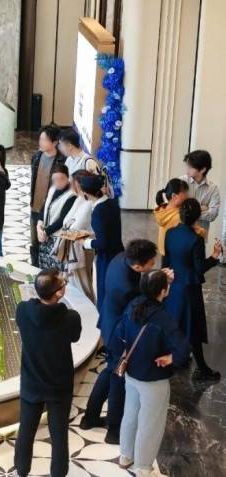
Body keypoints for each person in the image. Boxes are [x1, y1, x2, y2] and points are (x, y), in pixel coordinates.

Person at [109, 270, 190, 477]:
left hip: (131, 373)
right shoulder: (163, 319)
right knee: (150, 424)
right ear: (164, 291)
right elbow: (183, 349)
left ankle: (126, 456)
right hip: (154, 379)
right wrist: (171, 358)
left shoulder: (133, 305)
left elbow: (119, 335)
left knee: (130, 414)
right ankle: (143, 468)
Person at [81, 239, 160, 444]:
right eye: (151, 262)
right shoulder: (127, 288)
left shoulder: (121, 257)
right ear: (138, 266)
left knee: (109, 371)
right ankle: (114, 431)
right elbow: (142, 306)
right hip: (118, 333)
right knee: (118, 379)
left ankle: (89, 417)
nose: (154, 264)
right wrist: (160, 286)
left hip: (108, 322)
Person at [13, 268, 81, 477]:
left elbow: (31, 307)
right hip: (59, 386)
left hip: (31, 383)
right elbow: (75, 337)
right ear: (58, 293)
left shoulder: (23, 310)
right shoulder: (70, 317)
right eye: (63, 283)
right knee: (59, 436)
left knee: (26, 432)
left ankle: (21, 471)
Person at [163, 198, 223, 381]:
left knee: (176, 324)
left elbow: (166, 261)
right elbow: (199, 268)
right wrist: (214, 256)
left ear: (180, 214)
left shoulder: (170, 233)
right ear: (197, 217)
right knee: (193, 328)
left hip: (173, 286)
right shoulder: (196, 239)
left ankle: (176, 358)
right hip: (189, 289)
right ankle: (202, 369)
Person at [79, 174, 124, 310]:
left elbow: (103, 243)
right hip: (118, 252)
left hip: (106, 257)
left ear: (86, 194)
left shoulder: (98, 211)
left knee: (104, 291)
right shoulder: (112, 203)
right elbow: (110, 229)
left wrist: (86, 243)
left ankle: (103, 317)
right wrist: (94, 234)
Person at [29, 125, 66, 266]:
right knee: (34, 241)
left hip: (51, 209)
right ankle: (34, 268)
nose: (41, 142)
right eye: (40, 139)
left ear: (55, 142)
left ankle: (46, 271)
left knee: (47, 241)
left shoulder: (62, 161)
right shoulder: (37, 157)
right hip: (35, 206)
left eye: (44, 140)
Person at [58, 170, 96, 302]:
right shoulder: (79, 198)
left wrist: (66, 230)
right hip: (72, 244)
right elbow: (66, 221)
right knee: (72, 282)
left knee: (82, 284)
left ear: (78, 184)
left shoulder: (88, 203)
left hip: (82, 248)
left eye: (72, 183)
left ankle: (87, 308)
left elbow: (76, 226)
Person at [36, 165, 76, 270]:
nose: (58, 182)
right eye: (55, 179)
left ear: (68, 177)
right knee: (44, 269)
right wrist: (39, 225)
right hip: (45, 236)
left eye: (61, 178)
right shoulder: (52, 189)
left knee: (55, 272)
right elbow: (44, 208)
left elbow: (62, 220)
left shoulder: (72, 195)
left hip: (57, 239)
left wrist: (45, 232)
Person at [180, 150, 220, 236]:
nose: (187, 171)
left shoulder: (213, 189)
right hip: (182, 234)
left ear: (202, 169)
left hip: (200, 236)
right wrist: (201, 208)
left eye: (190, 168)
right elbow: (175, 208)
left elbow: (213, 215)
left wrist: (189, 211)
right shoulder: (182, 182)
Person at [153, 178, 195, 254]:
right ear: (174, 196)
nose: (188, 196)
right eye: (185, 193)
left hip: (164, 252)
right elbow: (193, 233)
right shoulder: (179, 217)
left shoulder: (163, 209)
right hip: (176, 254)